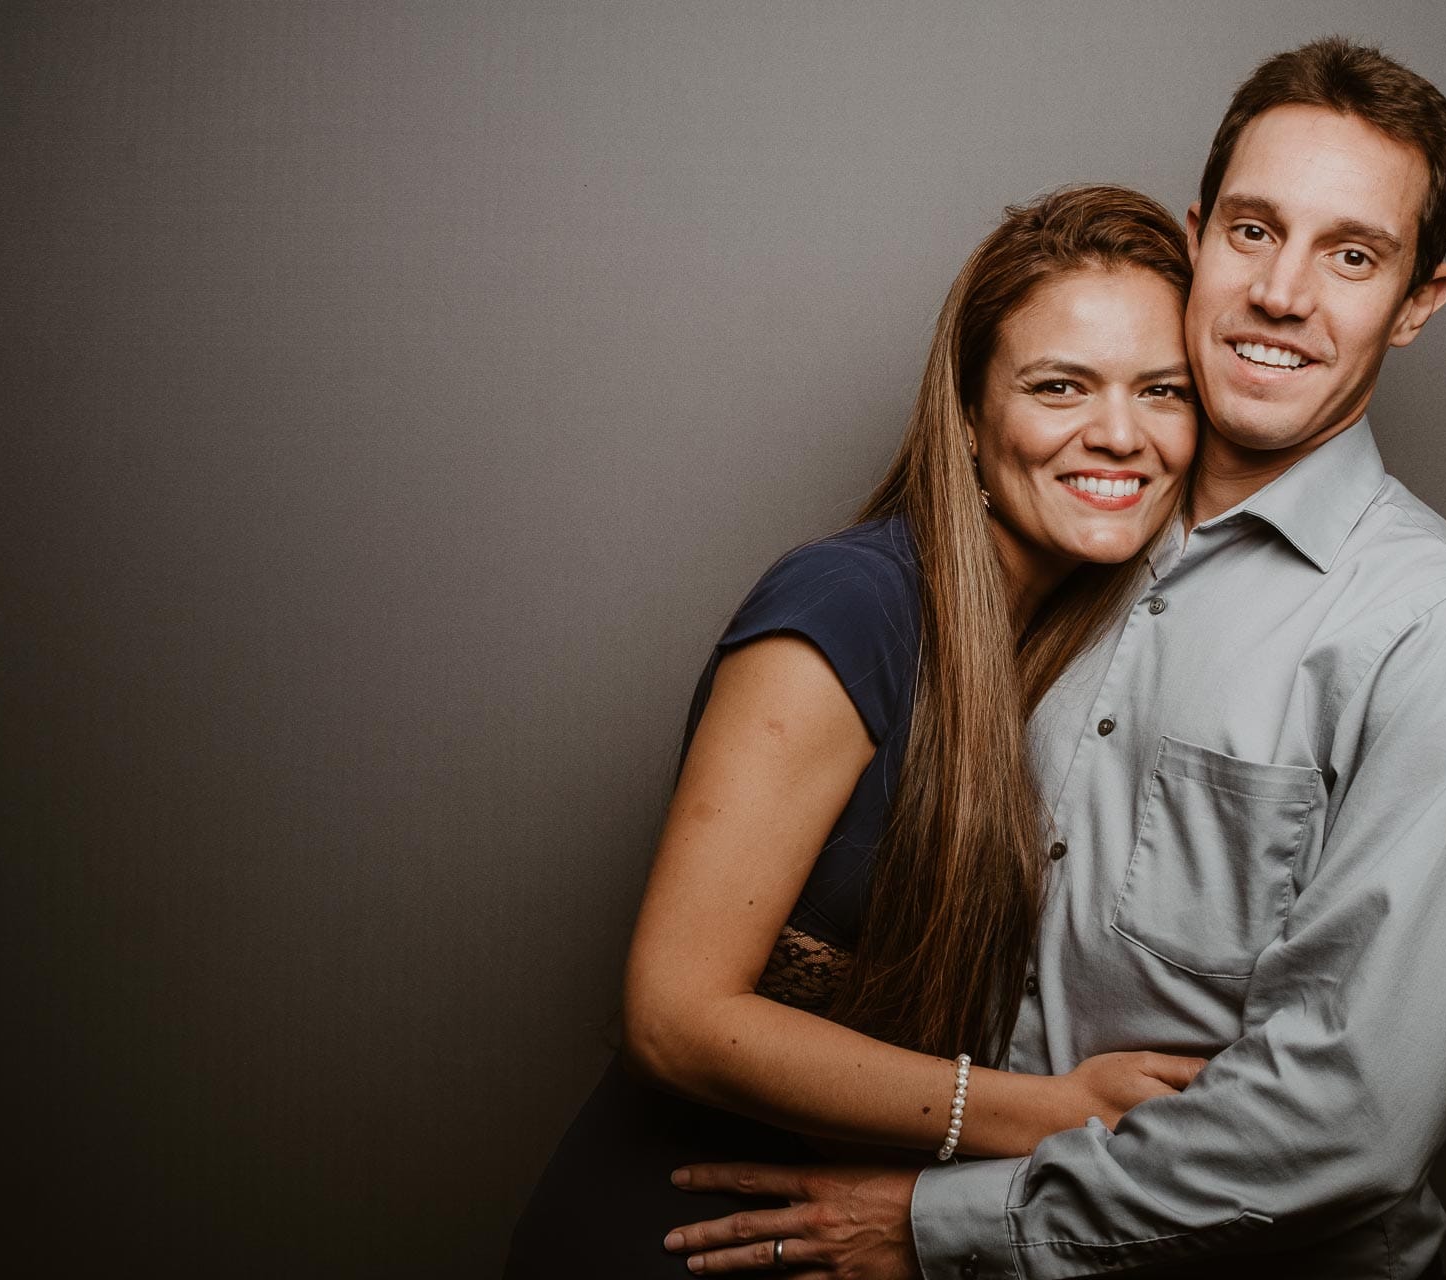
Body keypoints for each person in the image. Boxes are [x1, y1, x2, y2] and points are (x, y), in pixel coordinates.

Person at [664, 37, 1446, 1279]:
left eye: (1351, 255)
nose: (1282, 293)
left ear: (1417, 300)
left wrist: (933, 1226)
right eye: (1253, 231)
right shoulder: (1080, 539)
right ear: (1198, 237)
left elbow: (1345, 1122)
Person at [508, 185, 1214, 1277]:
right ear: (971, 418)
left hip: (856, 1238)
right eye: (1058, 385)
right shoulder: (851, 603)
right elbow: (673, 1013)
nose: (1117, 432)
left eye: (1160, 389)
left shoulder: (1081, 644)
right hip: (684, 1233)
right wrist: (1045, 1113)